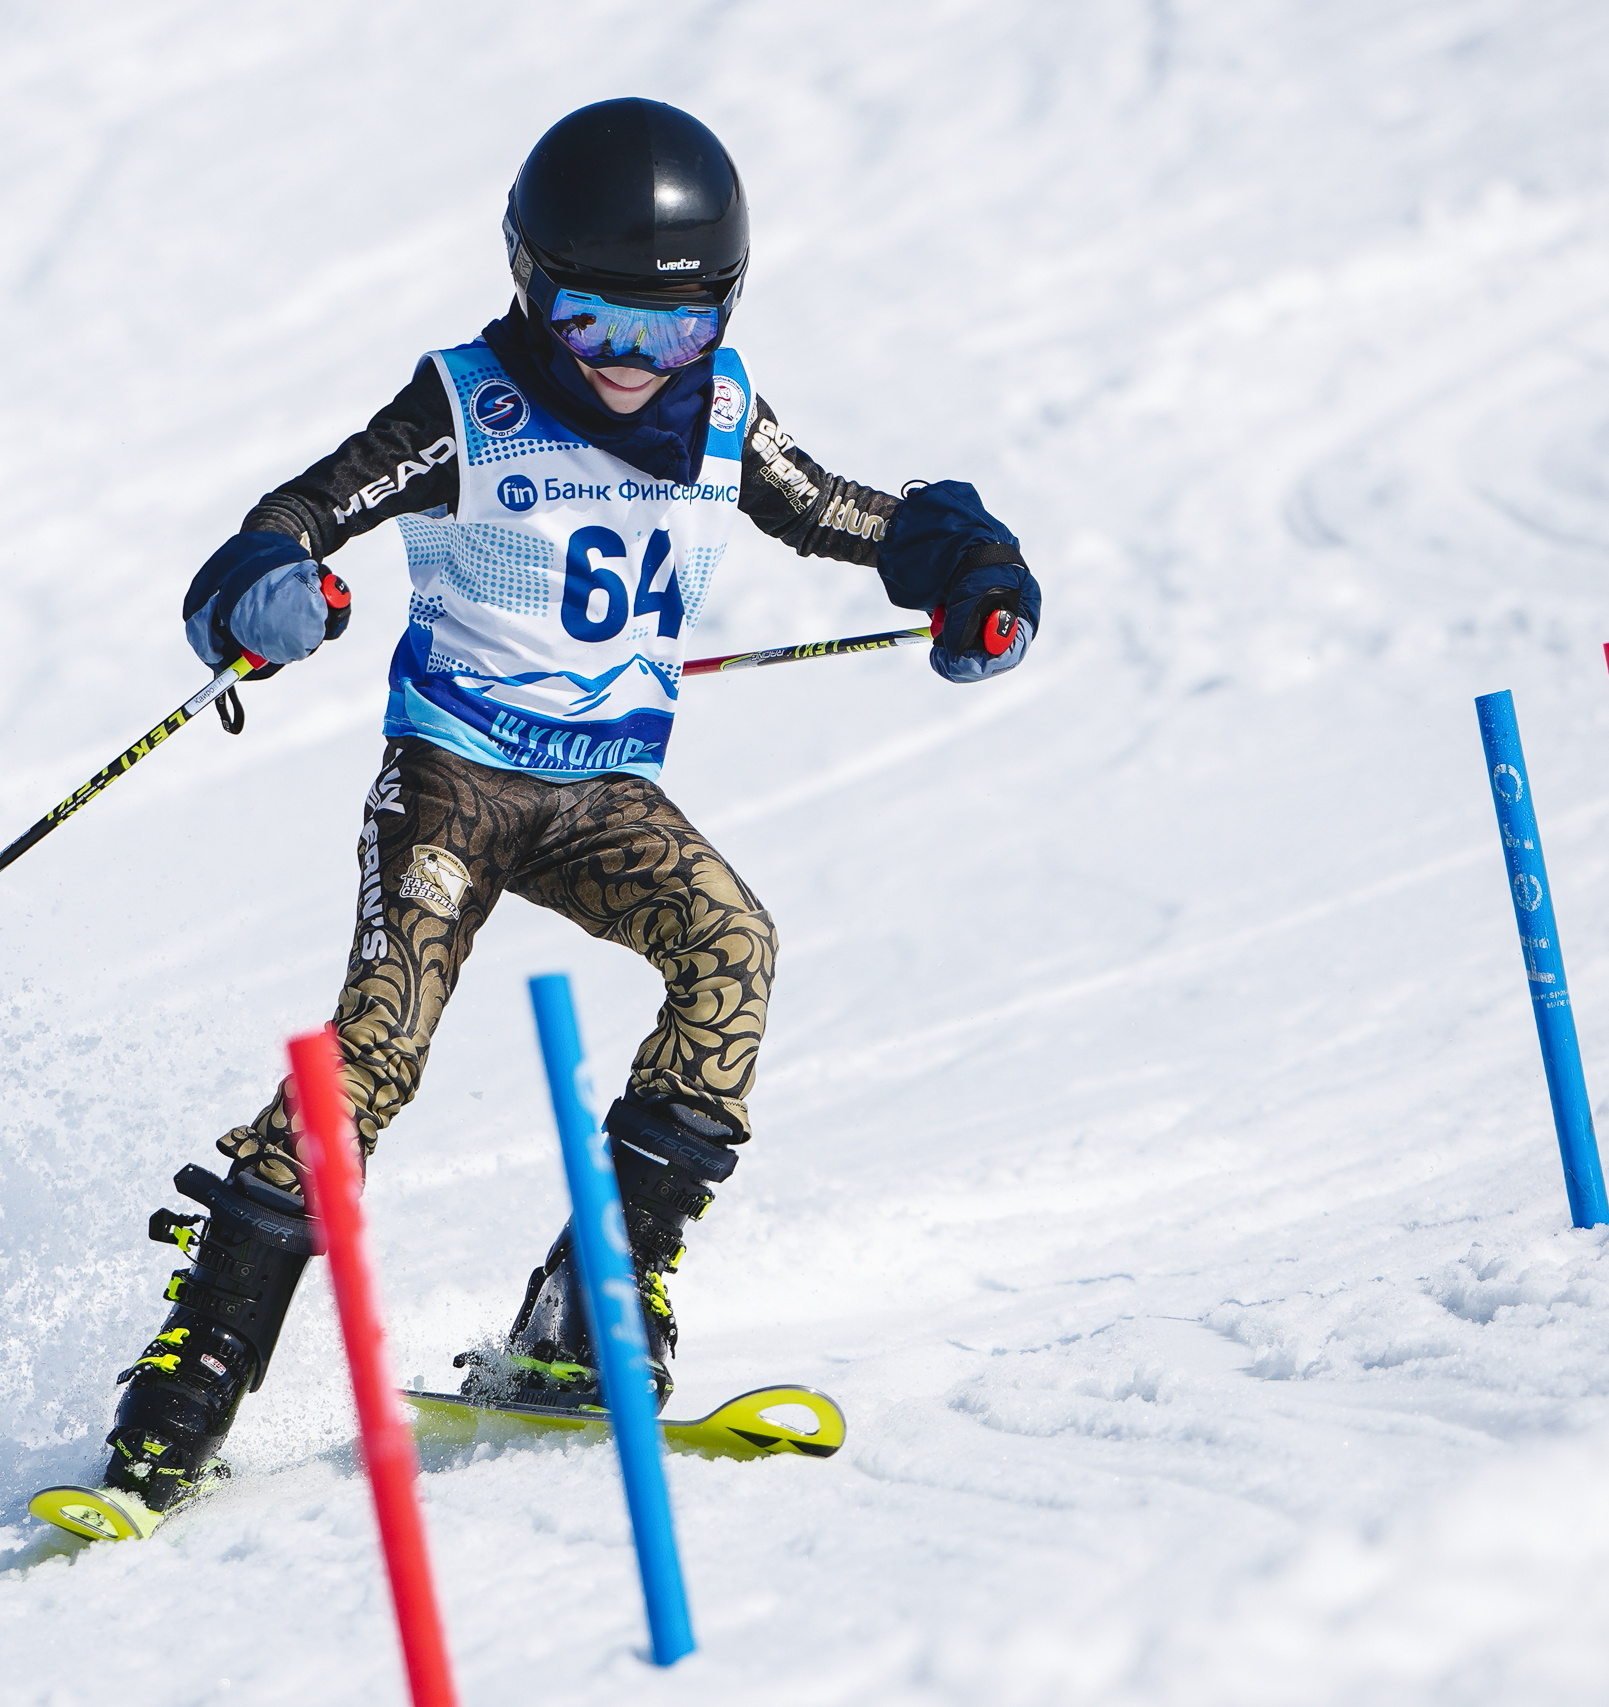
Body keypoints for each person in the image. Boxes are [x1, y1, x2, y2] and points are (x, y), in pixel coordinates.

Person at [97, 97, 1041, 1527]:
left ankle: (588, 1307)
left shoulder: (720, 413)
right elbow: (294, 517)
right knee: (375, 1055)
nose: (630, 367)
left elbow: (858, 514)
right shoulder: (468, 401)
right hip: (453, 785)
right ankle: (197, 1368)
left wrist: (969, 564)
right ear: (534, 289)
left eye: (673, 330)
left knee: (734, 949)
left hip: (603, 798)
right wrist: (263, 594)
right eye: (597, 326)